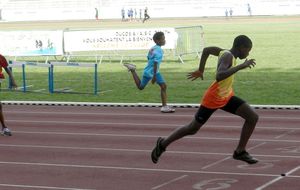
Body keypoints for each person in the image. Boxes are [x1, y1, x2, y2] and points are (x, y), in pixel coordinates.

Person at [151, 35, 259, 164]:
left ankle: (240, 151)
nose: (248, 53)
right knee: (192, 128)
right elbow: (219, 76)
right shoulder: (227, 56)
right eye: (248, 49)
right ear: (241, 47)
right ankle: (162, 144)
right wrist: (241, 66)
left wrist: (201, 70)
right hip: (214, 98)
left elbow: (207, 50)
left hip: (226, 96)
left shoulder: (223, 51)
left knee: (252, 117)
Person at [123, 32, 175, 113]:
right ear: (157, 41)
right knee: (164, 86)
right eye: (163, 39)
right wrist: (154, 76)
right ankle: (164, 106)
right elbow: (155, 62)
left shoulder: (152, 48)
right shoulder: (159, 50)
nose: (164, 40)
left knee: (141, 87)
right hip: (154, 72)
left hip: (147, 71)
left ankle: (133, 70)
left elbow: (149, 58)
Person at [0, 54, 17, 136]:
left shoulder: (1, 57)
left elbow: (7, 69)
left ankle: (4, 127)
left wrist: (13, 80)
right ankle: (4, 127)